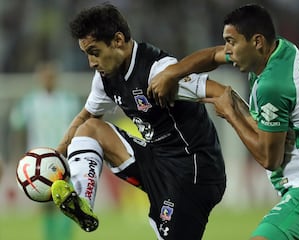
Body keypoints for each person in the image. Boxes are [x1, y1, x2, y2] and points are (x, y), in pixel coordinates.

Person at [147, 4, 299, 240]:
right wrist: (172, 73)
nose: (228, 49)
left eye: (232, 41)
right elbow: (212, 55)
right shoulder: (278, 50)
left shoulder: (274, 86)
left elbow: (269, 159)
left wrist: (231, 113)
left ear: (257, 41)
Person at [50, 3, 226, 240]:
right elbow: (86, 116)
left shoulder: (158, 70)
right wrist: (57, 155)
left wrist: (251, 126)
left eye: (95, 52)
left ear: (118, 40)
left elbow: (219, 91)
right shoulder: (105, 78)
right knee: (89, 128)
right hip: (157, 162)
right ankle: (81, 202)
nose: (91, 62)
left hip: (194, 172)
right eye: (87, 54)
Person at [9, 61, 80, 240]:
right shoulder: (30, 102)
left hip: (64, 158)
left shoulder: (68, 100)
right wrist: (20, 155)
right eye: (44, 76)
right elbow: (17, 126)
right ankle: (50, 237)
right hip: (39, 163)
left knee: (68, 201)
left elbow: (80, 128)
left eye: (51, 76)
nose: (48, 80)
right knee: (47, 206)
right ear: (39, 79)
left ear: (55, 78)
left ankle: (65, 237)